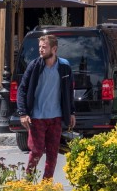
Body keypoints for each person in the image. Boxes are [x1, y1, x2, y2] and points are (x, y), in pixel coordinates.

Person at [16, 33, 75, 181]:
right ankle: (27, 183)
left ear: (54, 49)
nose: (41, 50)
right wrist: (23, 113)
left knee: (53, 154)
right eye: (40, 47)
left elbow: (69, 91)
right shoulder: (34, 66)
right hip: (37, 117)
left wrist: (71, 112)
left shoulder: (64, 67)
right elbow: (22, 89)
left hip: (56, 117)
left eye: (44, 47)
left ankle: (46, 186)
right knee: (36, 151)